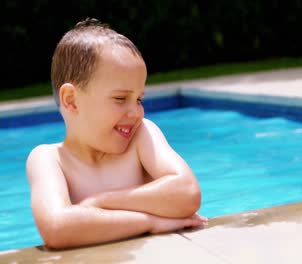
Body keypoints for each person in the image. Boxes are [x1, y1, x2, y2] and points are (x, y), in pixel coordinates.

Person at [26, 18, 207, 249]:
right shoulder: (48, 159)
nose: (136, 113)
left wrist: (99, 202)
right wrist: (150, 221)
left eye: (139, 99)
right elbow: (56, 228)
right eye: (120, 99)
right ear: (71, 100)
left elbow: (187, 194)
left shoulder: (142, 136)